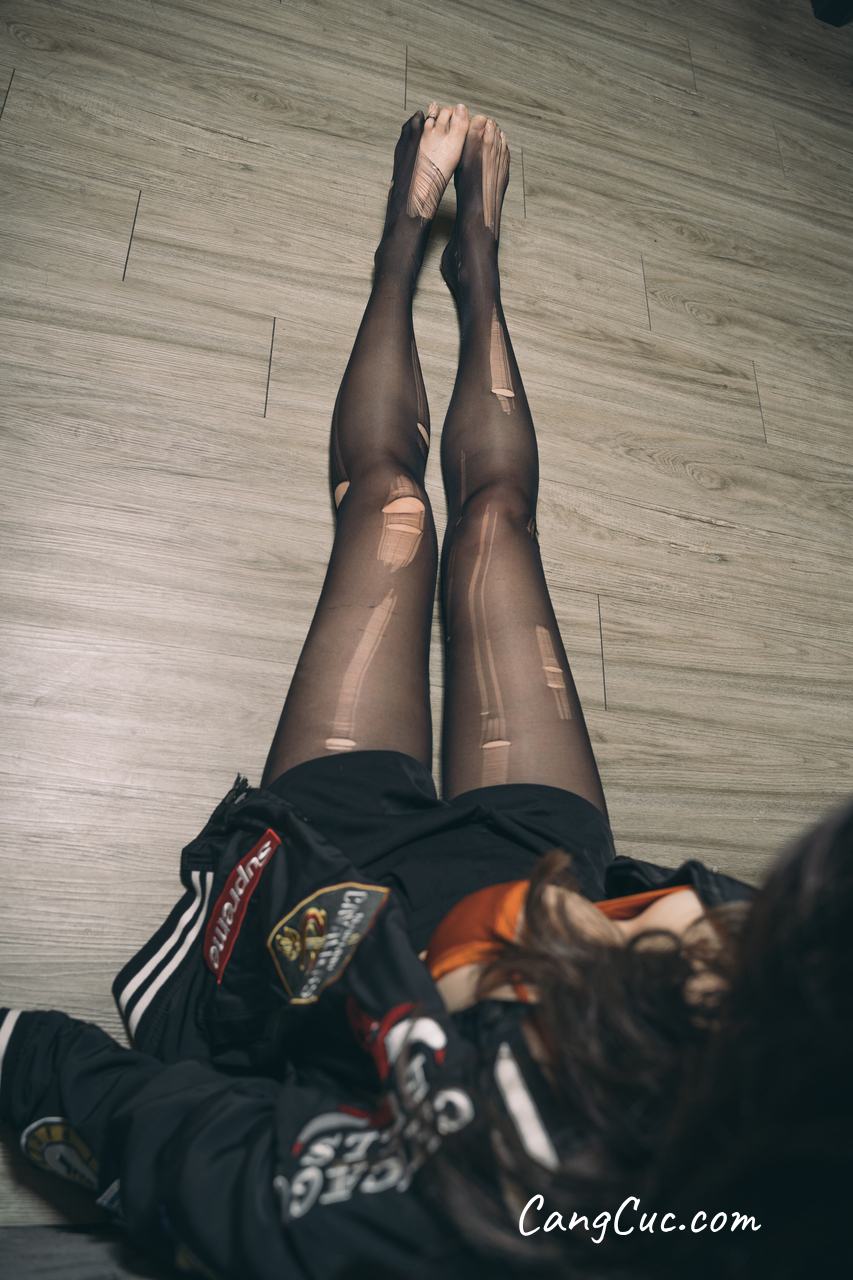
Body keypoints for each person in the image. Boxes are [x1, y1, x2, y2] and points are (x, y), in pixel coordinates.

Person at [2, 103, 803, 1280]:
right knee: (492, 521)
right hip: (535, 860)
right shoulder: (777, 1107)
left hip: (340, 898)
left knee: (390, 507)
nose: (690, 897)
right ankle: (474, 265)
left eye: (685, 952)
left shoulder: (445, 1206)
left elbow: (146, 1122)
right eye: (733, 922)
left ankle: (399, 244)